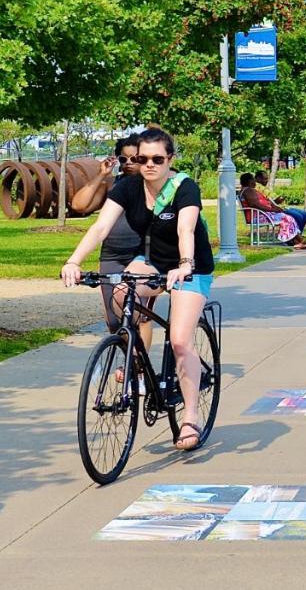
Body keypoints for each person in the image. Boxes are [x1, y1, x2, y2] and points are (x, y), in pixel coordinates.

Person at [61, 127, 214, 451]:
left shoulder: (184, 188)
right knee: (122, 291)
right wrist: (73, 261)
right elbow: (100, 226)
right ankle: (138, 365)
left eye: (157, 159)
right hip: (153, 262)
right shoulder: (129, 187)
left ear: (170, 159)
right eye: (142, 159)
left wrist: (184, 263)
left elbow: (186, 228)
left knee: (180, 340)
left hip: (191, 267)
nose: (149, 165)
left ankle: (190, 417)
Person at [98, 135, 156, 352]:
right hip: (112, 255)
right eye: (124, 159)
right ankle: (129, 360)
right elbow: (80, 204)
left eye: (135, 158)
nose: (130, 163)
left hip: (141, 255)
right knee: (114, 321)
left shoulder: (154, 184)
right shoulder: (114, 184)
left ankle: (139, 372)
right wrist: (101, 177)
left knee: (138, 316)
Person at [240, 173, 306, 249]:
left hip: (262, 215)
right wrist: (272, 210)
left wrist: (273, 208)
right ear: (249, 181)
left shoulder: (248, 190)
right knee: (287, 218)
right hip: (258, 217)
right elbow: (255, 205)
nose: (255, 181)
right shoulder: (248, 190)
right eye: (253, 179)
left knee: (288, 218)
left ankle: (297, 241)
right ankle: (298, 241)